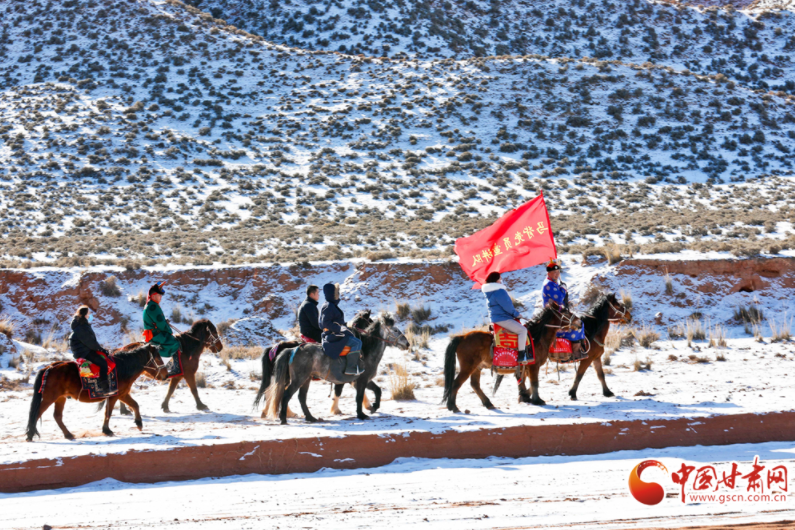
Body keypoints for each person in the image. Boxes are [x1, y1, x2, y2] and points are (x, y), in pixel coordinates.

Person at [481, 271, 531, 364]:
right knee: (523, 330)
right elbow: (507, 306)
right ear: (496, 280)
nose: (501, 280)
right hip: (503, 318)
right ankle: (521, 355)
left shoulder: (490, 292)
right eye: (500, 278)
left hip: (496, 318)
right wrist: (516, 314)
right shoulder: (499, 291)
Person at [542, 259, 586, 360]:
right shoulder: (549, 284)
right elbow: (559, 297)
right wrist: (563, 288)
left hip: (557, 311)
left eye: (558, 272)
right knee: (579, 323)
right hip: (554, 314)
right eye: (554, 272)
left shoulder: (552, 282)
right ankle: (575, 352)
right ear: (549, 273)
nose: (557, 274)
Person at [319, 283, 363, 376]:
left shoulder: (330, 305)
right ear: (331, 293)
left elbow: (334, 321)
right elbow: (325, 323)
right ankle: (351, 368)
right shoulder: (329, 306)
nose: (338, 295)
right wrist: (339, 328)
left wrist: (347, 325)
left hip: (336, 333)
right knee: (357, 342)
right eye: (336, 293)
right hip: (334, 336)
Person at [69, 305, 112, 391]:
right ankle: (104, 388)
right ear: (85, 315)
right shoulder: (82, 327)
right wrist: (101, 349)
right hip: (84, 352)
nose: (91, 315)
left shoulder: (82, 325)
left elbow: (91, 342)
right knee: (103, 363)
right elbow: (90, 343)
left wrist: (100, 349)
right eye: (89, 313)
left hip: (84, 350)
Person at [142, 281, 181, 363]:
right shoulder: (153, 307)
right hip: (155, 334)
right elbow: (161, 324)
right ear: (153, 295)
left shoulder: (151, 305)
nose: (161, 297)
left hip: (154, 332)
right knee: (175, 343)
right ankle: (161, 362)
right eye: (159, 295)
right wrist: (170, 332)